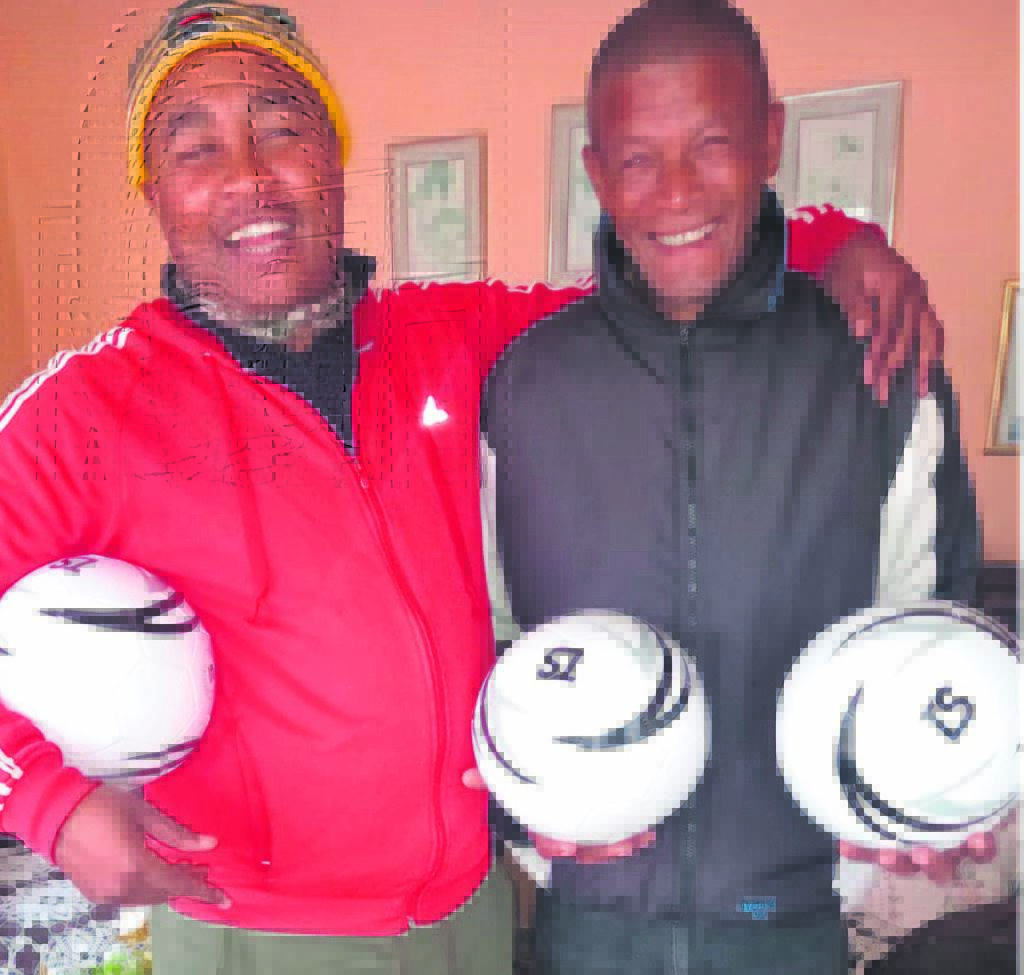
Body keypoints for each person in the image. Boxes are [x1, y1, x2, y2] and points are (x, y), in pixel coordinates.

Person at [0, 2, 949, 973]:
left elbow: (668, 272)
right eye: (194, 147)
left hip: (473, 913)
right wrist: (47, 801)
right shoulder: (85, 412)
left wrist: (837, 243)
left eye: (280, 128)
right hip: (260, 932)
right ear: (153, 190)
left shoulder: (452, 336)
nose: (248, 175)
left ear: (333, 157)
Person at [482, 1, 999, 973]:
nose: (676, 192)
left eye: (711, 145)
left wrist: (934, 789)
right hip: (587, 921)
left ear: (769, 139)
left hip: (793, 917)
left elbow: (933, 633)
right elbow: (489, 636)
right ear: (595, 172)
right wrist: (522, 813)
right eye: (637, 159)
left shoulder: (879, 367)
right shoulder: (525, 384)